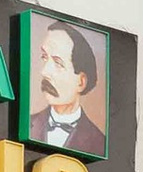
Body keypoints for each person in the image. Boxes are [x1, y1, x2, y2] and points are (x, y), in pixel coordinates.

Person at [32, 19, 106, 157]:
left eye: (58, 63)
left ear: (81, 82)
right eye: (44, 57)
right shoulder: (29, 124)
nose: (44, 72)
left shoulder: (99, 142)